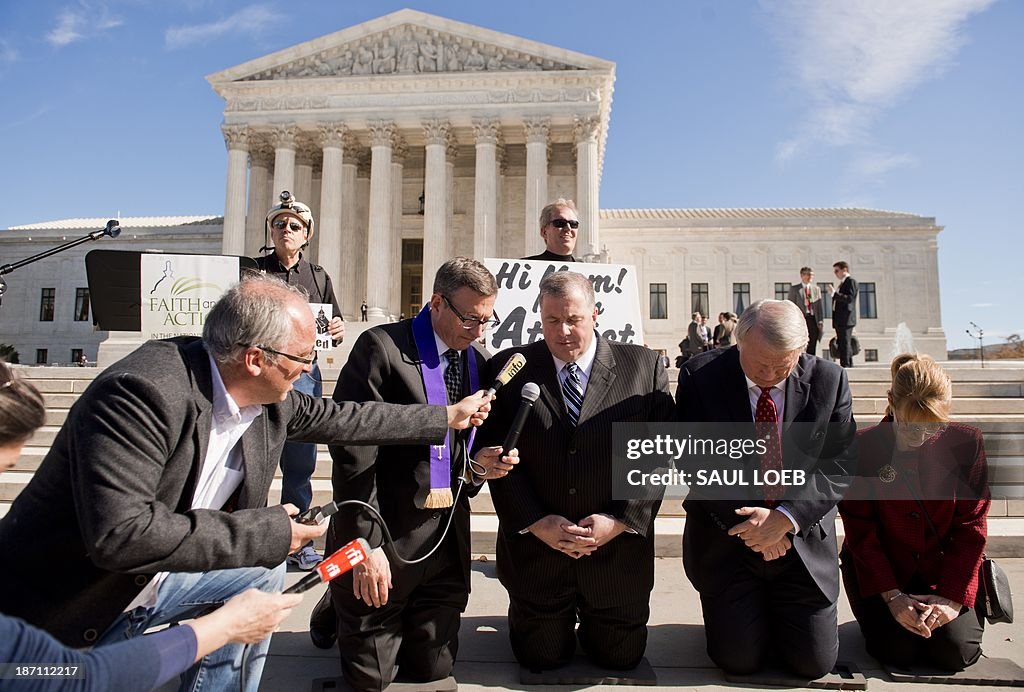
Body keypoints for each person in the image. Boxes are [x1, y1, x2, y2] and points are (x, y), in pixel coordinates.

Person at [0, 275, 490, 692]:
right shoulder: (143, 393)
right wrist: (269, 532)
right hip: (62, 611)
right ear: (255, 359)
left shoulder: (267, 397)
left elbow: (348, 418)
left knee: (260, 577)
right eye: (300, 358)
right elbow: (122, 535)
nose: (307, 369)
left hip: (155, 581)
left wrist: (445, 417)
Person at [0, 360, 304, 692]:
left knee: (260, 571)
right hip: (60, 624)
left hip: (108, 604)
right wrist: (226, 625)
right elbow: (75, 676)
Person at [312, 258, 512, 691]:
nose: (478, 330)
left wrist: (480, 467)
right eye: (470, 318)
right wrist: (365, 543)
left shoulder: (477, 358)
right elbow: (352, 454)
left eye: (486, 319)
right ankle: (338, 595)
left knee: (431, 672)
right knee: (372, 682)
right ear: (436, 302)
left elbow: (458, 452)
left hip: (442, 542)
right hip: (386, 531)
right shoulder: (381, 349)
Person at [476, 270, 675, 672]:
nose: (563, 331)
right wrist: (535, 522)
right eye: (552, 321)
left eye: (574, 319)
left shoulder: (643, 367)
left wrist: (619, 521)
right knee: (540, 658)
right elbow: (499, 459)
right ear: (540, 318)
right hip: (539, 554)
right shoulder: (510, 368)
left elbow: (659, 456)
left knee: (619, 659)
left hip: (616, 556)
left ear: (595, 314)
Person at [675, 299, 857, 679]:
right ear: (739, 342)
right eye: (760, 365)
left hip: (802, 544)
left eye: (783, 365)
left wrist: (785, 519)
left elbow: (838, 465)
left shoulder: (829, 379)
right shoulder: (701, 376)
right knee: (737, 661)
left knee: (812, 664)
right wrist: (756, 527)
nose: (770, 375)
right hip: (730, 541)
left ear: (801, 351)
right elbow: (693, 460)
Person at [839, 354, 990, 671]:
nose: (920, 438)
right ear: (890, 401)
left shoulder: (967, 443)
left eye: (931, 428)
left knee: (954, 652)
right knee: (897, 652)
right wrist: (893, 597)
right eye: (909, 428)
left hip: (945, 572)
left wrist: (951, 599)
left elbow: (971, 527)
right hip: (882, 574)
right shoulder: (864, 448)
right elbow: (861, 533)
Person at [254, 190, 345, 571]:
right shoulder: (253, 271)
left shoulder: (318, 276)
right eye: (279, 225)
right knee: (254, 459)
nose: (285, 230)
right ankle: (253, 539)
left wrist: (337, 329)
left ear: (306, 233)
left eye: (294, 225)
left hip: (303, 377)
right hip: (258, 376)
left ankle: (301, 538)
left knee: (300, 461)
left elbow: (333, 326)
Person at [827, 261, 858, 367]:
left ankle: (846, 365)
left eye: (837, 270)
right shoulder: (843, 283)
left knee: (845, 343)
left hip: (846, 318)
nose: (835, 273)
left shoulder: (851, 281)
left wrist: (834, 294)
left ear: (844, 269)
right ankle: (847, 364)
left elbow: (850, 298)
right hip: (840, 319)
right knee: (843, 343)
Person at [787, 267, 824, 356]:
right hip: (801, 319)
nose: (810, 277)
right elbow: (791, 305)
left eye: (811, 275)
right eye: (807, 274)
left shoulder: (816, 289)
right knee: (801, 342)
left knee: (813, 341)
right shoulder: (795, 289)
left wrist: (820, 320)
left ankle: (811, 361)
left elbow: (819, 307)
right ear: (802, 275)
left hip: (813, 318)